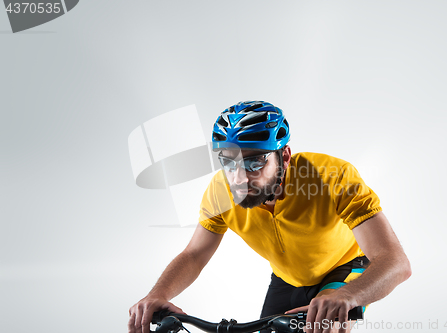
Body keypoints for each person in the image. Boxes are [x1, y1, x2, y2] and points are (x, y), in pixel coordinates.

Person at [128, 101, 411, 333]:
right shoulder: (220, 191)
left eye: (254, 162)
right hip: (287, 278)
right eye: (228, 161)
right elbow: (194, 254)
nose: (239, 177)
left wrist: (351, 295)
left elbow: (395, 262)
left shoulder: (333, 178)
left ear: (285, 156)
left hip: (345, 269)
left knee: (326, 326)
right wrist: (158, 295)